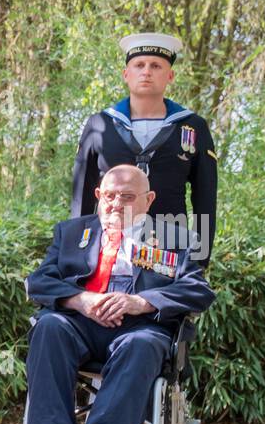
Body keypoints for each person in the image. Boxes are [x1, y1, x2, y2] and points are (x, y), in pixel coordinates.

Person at [23, 164, 215, 424]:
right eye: (110, 195)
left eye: (127, 196)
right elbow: (39, 282)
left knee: (142, 345)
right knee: (49, 327)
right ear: (98, 195)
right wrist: (80, 300)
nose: (116, 203)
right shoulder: (71, 233)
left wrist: (142, 302)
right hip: (79, 324)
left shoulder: (174, 237)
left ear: (149, 199)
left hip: (139, 328)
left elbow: (198, 291)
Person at [71, 33, 217, 260]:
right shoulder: (99, 124)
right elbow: (82, 198)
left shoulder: (192, 126)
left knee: (155, 298)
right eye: (139, 65)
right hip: (108, 249)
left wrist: (200, 258)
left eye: (156, 66)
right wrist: (76, 254)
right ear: (126, 74)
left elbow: (205, 199)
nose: (147, 71)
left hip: (170, 247)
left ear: (170, 75)